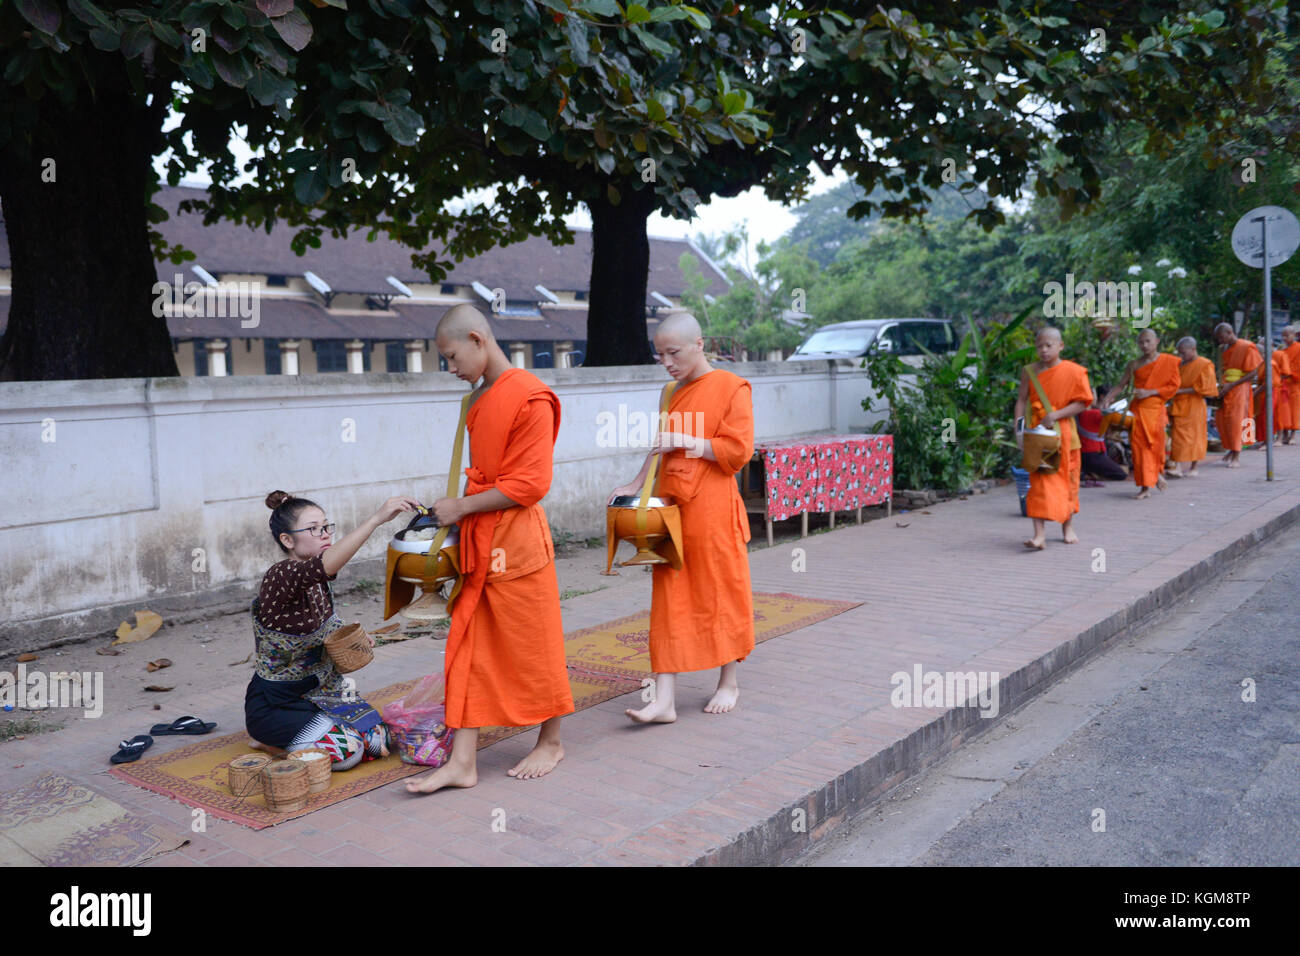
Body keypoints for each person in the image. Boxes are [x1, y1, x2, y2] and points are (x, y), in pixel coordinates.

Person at [406, 305, 574, 794]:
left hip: (518, 544)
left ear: (478, 339)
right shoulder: (480, 398)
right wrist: (461, 513)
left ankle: (552, 740)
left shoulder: (531, 396)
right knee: (468, 647)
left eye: (453, 357)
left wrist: (461, 507)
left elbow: (531, 483)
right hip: (480, 538)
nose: (452, 368)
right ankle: (463, 761)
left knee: (534, 644)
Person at [609, 312, 755, 722]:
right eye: (660, 355)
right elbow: (661, 447)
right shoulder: (671, 391)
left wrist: (689, 441)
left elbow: (738, 452)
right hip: (672, 507)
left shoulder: (732, 387)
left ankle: (729, 681)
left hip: (713, 508)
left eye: (673, 353)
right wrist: (637, 483)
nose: (667, 362)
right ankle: (664, 699)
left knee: (719, 591)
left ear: (699, 344)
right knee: (668, 595)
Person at [246, 490, 419, 768]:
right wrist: (376, 519)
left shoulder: (317, 580)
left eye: (326, 526)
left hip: (326, 690)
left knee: (379, 742)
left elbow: (328, 618)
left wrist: (356, 641)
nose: (325, 534)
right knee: (348, 753)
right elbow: (324, 566)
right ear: (287, 540)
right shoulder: (280, 576)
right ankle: (267, 739)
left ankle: (319, 731)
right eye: (314, 529)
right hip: (278, 703)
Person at [1014, 327, 1093, 550]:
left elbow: (1083, 402)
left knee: (1068, 482)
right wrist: (1018, 429)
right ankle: (1039, 535)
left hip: (1065, 433)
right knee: (1039, 483)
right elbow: (1021, 400)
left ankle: (1067, 528)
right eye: (1039, 346)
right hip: (1038, 434)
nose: (1044, 350)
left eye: (1049, 345)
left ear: (1061, 346)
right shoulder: (1029, 371)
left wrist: (1055, 415)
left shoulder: (1074, 371)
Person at [1103, 329, 1181, 499]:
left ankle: (1155, 474)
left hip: (1156, 410)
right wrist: (1109, 398)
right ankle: (1146, 487)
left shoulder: (1168, 362)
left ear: (1156, 341)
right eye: (1141, 342)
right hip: (1138, 410)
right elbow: (1121, 385)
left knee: (1155, 447)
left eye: (1148, 341)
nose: (1145, 345)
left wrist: (1151, 392)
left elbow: (1173, 387)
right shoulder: (1134, 364)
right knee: (1139, 448)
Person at [1166, 336, 1218, 478]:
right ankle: (1176, 466)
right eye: (1179, 352)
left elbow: (1206, 387)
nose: (1180, 355)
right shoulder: (1180, 365)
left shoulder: (1204, 364)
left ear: (1193, 349)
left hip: (1195, 405)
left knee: (1196, 436)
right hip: (1179, 404)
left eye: (1183, 352)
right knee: (1177, 436)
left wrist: (1181, 391)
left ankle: (1194, 467)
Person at [1213, 322, 1262, 468]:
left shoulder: (1247, 347)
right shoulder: (1223, 349)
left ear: (1230, 332)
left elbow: (1253, 372)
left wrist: (1232, 385)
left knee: (1237, 421)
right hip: (1225, 387)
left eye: (1222, 337)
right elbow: (1222, 369)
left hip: (1239, 389)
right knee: (1222, 421)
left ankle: (1236, 455)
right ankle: (1231, 449)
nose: (1220, 341)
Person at [1078, 387, 1127, 484]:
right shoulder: (1092, 413)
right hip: (1091, 454)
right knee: (1121, 474)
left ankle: (1091, 472)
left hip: (1090, 452)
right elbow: (1116, 420)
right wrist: (1106, 403)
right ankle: (1091, 475)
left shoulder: (1085, 412)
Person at [1251, 337, 1292, 445]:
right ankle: (1265, 440)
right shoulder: (1263, 362)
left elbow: (1271, 381)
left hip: (1273, 390)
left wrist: (1255, 392)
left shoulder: (1271, 361)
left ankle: (1269, 441)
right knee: (1263, 416)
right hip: (1266, 391)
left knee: (1268, 415)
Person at [1280, 326, 1300, 444]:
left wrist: (1289, 373)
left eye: (1287, 335)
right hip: (1283, 384)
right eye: (1283, 335)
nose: (1284, 338)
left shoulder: (1298, 348)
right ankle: (1285, 434)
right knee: (1284, 410)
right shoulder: (1283, 350)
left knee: (1294, 410)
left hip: (1294, 384)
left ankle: (1292, 435)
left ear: (1294, 335)